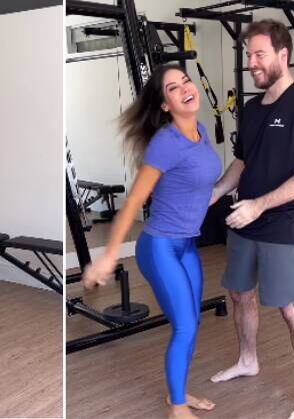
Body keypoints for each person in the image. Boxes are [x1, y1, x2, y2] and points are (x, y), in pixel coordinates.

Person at [207, 19, 294, 419]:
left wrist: (260, 205)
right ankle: (248, 360)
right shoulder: (251, 110)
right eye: (249, 55)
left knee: (290, 307)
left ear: (283, 54)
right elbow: (243, 162)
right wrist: (215, 192)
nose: (252, 63)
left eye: (259, 54)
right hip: (246, 218)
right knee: (240, 293)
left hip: (283, 223)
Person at [83, 64, 220, 419]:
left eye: (186, 81)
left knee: (191, 323)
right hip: (160, 247)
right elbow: (132, 202)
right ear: (164, 105)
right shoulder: (165, 144)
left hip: (186, 245)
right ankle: (177, 408)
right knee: (185, 326)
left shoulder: (201, 132)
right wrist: (108, 256)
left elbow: (196, 184)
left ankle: (178, 393)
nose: (185, 88)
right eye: (173, 88)